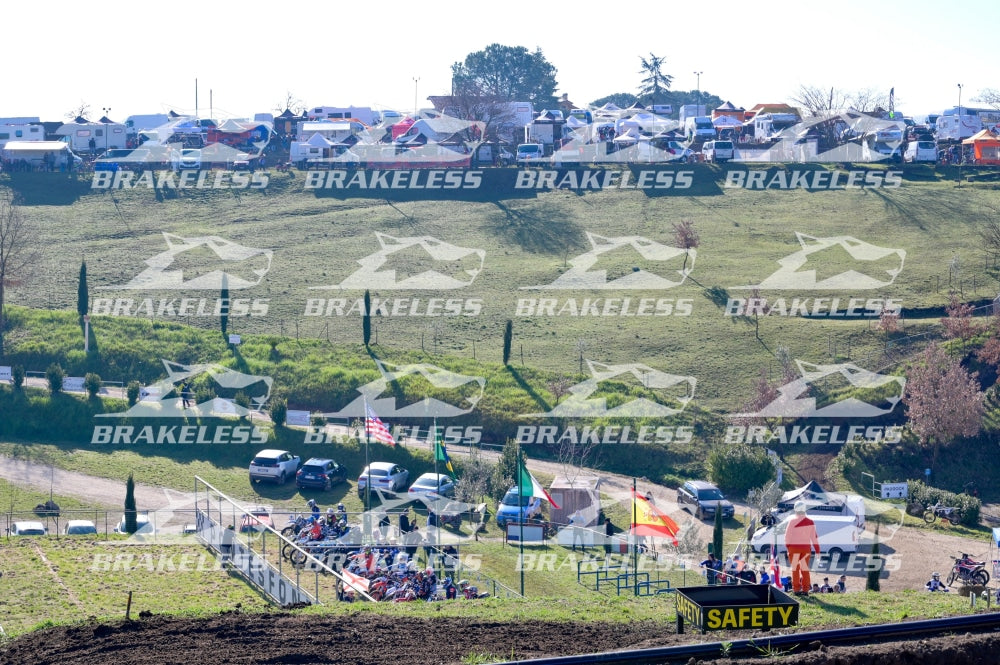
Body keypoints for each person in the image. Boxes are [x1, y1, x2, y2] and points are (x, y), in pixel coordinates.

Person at [784, 501, 820, 597]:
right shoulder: (810, 521)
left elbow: (787, 536)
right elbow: (814, 538)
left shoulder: (792, 521)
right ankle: (805, 589)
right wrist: (817, 550)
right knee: (805, 569)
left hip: (793, 548)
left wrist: (788, 547)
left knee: (795, 569)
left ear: (795, 509)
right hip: (806, 549)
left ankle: (796, 589)